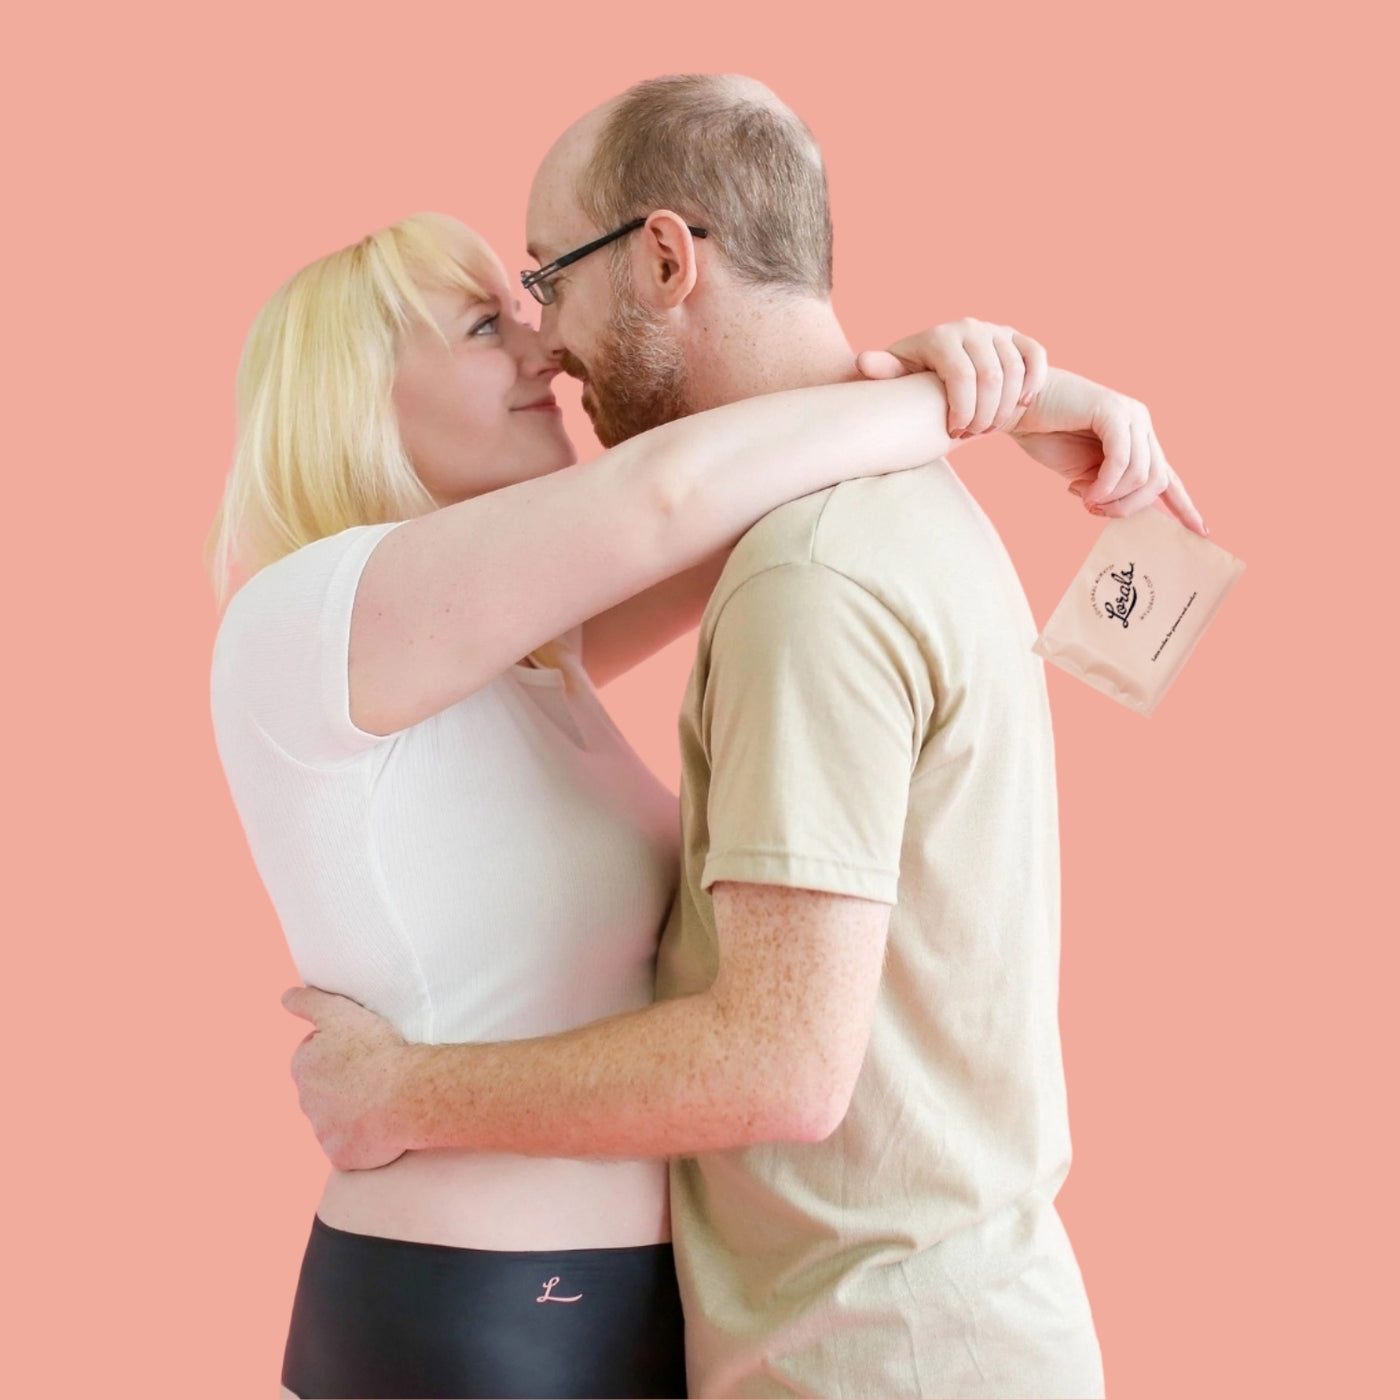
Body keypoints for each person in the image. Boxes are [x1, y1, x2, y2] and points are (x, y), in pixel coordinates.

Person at [283, 76, 1205, 1399]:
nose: (551, 347)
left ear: (664, 257)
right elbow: (656, 518)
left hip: (868, 1362)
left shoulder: (808, 573)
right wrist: (995, 391)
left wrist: (404, 1095)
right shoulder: (892, 505)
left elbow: (776, 1066)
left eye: (549, 277)